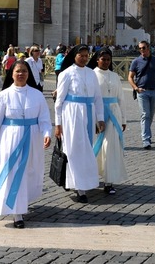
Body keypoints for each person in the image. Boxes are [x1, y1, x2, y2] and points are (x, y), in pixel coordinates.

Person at [0, 59, 52, 229]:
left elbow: (44, 118)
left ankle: (24, 201)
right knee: (13, 173)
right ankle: (17, 213)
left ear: (29, 74)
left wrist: (47, 133)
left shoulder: (37, 94)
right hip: (11, 139)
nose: (21, 74)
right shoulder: (3, 95)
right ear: (11, 74)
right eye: (17, 71)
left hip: (33, 138)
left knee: (30, 171)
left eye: (24, 71)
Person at [54, 44, 105, 203]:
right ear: (74, 56)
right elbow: (59, 101)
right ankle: (78, 187)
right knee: (74, 148)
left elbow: (98, 98)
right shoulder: (66, 74)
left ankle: (84, 182)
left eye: (86, 55)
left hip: (88, 113)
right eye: (80, 55)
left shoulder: (91, 74)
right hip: (72, 115)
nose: (84, 58)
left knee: (87, 148)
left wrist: (100, 117)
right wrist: (58, 123)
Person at [89, 48, 128, 195]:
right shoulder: (91, 75)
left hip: (114, 115)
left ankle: (108, 180)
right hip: (97, 114)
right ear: (97, 59)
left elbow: (121, 99)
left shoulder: (115, 76)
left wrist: (123, 118)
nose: (105, 62)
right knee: (98, 146)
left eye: (108, 59)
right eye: (103, 59)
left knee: (110, 147)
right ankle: (92, 176)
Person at [127, 40, 155, 149]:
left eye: (143, 48)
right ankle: (146, 139)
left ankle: (146, 135)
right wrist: (136, 88)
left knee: (151, 115)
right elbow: (130, 77)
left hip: (154, 91)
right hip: (142, 91)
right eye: (139, 48)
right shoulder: (135, 61)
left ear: (148, 48)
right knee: (145, 115)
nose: (141, 50)